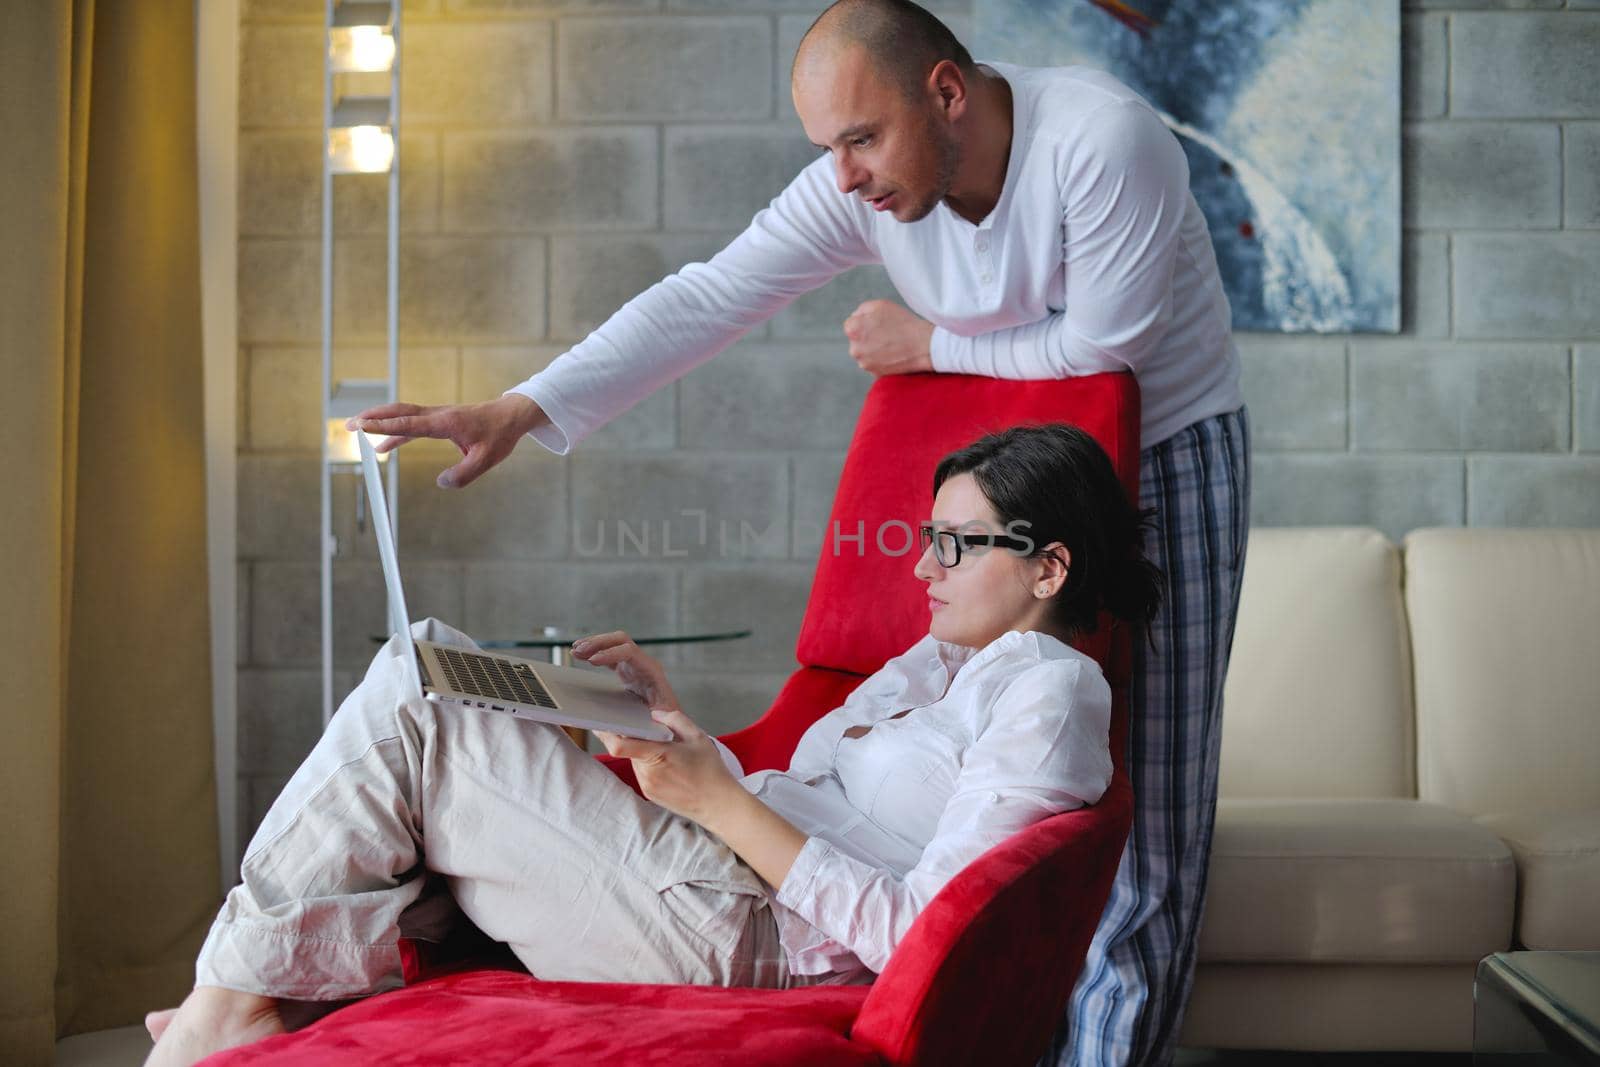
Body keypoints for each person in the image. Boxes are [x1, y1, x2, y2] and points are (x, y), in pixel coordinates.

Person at [347, 2, 1249, 1062]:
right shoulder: (864, 182)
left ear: (946, 93)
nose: (846, 174)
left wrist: (930, 339)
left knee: (1147, 817)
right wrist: (524, 406)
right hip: (1003, 451)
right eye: (829, 148)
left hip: (1162, 448)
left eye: (860, 139)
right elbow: (708, 295)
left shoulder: (1102, 139)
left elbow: (1107, 346)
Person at [142, 424, 1162, 1067]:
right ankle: (245, 992)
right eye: (924, 538)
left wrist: (716, 802)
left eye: (957, 543)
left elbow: (927, 937)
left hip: (742, 933)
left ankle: (229, 1004)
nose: (923, 567)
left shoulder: (1048, 689)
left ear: (1048, 567)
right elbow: (807, 795)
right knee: (446, 665)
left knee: (417, 691)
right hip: (711, 869)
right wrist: (678, 732)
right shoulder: (936, 662)